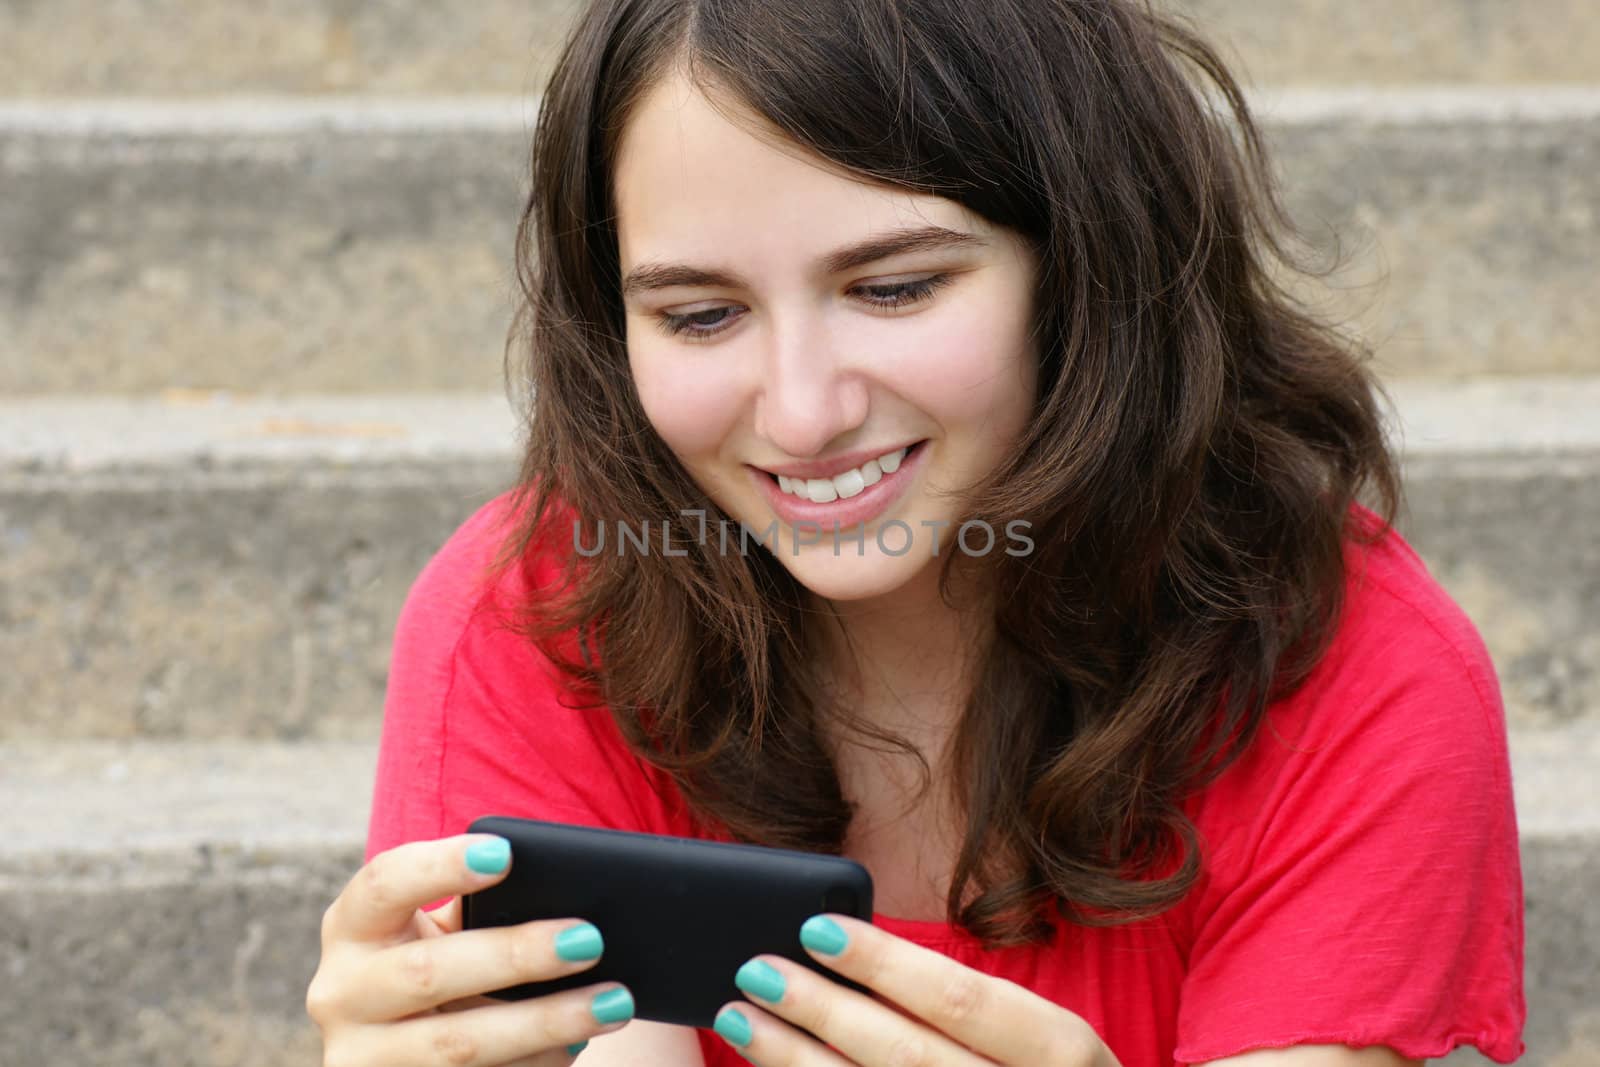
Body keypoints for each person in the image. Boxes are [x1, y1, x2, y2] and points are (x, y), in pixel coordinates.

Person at [305, 0, 1527, 1064]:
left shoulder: (1351, 661)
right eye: (698, 314)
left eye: (894, 287)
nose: (801, 410)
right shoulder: (543, 604)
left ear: (1090, 265)